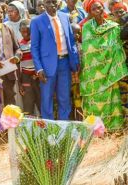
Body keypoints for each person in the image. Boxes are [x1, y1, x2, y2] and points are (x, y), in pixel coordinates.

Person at [80, 0, 128, 130]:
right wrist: (104, 52)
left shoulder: (113, 26)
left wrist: (108, 53)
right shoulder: (87, 28)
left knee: (112, 98)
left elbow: (117, 45)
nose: (98, 10)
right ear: (89, 11)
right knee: (95, 101)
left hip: (110, 71)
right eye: (94, 8)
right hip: (94, 74)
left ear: (103, 9)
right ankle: (95, 129)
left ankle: (113, 128)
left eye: (100, 7)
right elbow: (88, 51)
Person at [30, 0, 79, 120]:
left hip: (65, 63)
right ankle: (48, 128)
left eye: (54, 2)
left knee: (64, 97)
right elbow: (34, 47)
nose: (52, 5)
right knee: (47, 98)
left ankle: (63, 128)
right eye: (48, 2)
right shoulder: (36, 21)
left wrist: (75, 61)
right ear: (44, 4)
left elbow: (71, 41)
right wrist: (39, 68)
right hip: (46, 66)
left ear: (59, 3)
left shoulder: (64, 17)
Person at [18, 19, 41, 116]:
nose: (26, 33)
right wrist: (20, 82)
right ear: (20, 31)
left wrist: (37, 73)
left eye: (28, 30)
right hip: (26, 77)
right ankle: (29, 126)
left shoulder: (37, 42)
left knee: (41, 101)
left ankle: (44, 124)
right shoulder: (19, 44)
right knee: (28, 103)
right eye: (23, 31)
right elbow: (18, 64)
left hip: (38, 76)